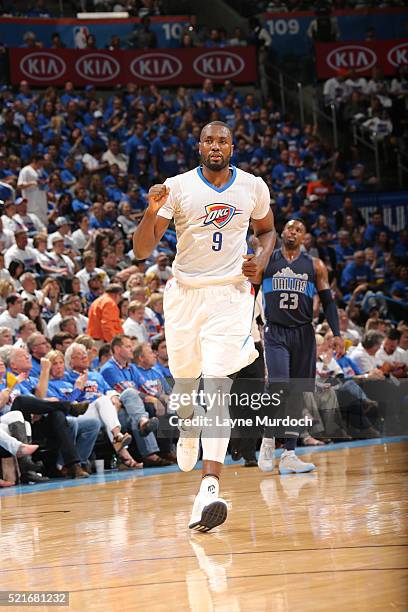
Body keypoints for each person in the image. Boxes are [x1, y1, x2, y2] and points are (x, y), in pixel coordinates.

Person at [133, 121, 275, 531]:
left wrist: (261, 261)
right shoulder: (175, 188)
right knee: (185, 382)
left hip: (230, 295)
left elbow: (266, 232)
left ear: (233, 146)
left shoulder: (253, 186)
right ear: (199, 146)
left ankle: (209, 487)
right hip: (185, 296)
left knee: (217, 383)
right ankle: (188, 427)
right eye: (209, 140)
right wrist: (149, 210)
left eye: (223, 140)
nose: (216, 145)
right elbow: (142, 251)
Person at [258, 219, 345, 473]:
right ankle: (267, 439)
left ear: (304, 237)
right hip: (276, 331)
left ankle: (290, 453)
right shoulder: (267, 259)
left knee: (297, 393)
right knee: (279, 387)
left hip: (304, 333)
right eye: (289, 228)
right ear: (282, 232)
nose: (293, 232)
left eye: (299, 230)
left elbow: (328, 302)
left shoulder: (315, 266)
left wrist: (336, 333)